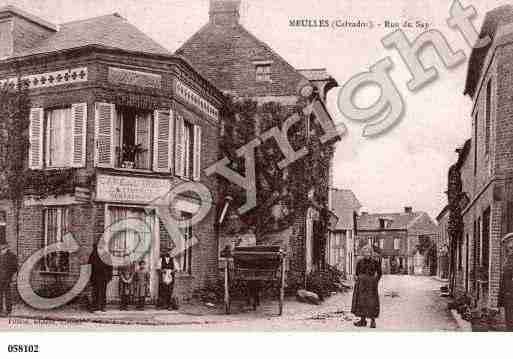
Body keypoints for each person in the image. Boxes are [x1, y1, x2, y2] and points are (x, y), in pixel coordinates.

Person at [351, 245, 382, 328]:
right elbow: (357, 273)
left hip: (371, 285)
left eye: (368, 252)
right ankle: (362, 320)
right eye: (365, 252)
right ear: (363, 253)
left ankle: (373, 321)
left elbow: (379, 273)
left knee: (372, 302)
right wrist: (356, 278)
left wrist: (376, 281)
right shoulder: (360, 262)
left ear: (371, 253)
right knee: (361, 301)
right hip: (361, 284)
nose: (367, 254)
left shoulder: (375, 262)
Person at [88, 242, 113, 312]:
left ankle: (102, 306)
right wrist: (90, 277)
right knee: (95, 292)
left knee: (103, 292)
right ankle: (95, 306)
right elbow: (89, 266)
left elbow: (110, 267)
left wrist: (109, 276)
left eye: (101, 246)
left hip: (104, 277)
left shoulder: (106, 255)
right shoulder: (93, 255)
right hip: (95, 276)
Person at [498, 233, 513, 331]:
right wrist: (500, 300)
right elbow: (503, 280)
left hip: (511, 295)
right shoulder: (508, 260)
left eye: (511, 247)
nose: (510, 250)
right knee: (509, 323)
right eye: (509, 248)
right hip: (508, 297)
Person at [0, 241, 18, 317]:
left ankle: (8, 310)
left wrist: (10, 275)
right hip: (2, 277)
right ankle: (1, 310)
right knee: (1, 294)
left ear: (7, 247)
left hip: (7, 278)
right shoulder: (1, 255)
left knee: (7, 294)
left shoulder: (12, 256)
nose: (2, 249)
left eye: (3, 247)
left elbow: (15, 267)